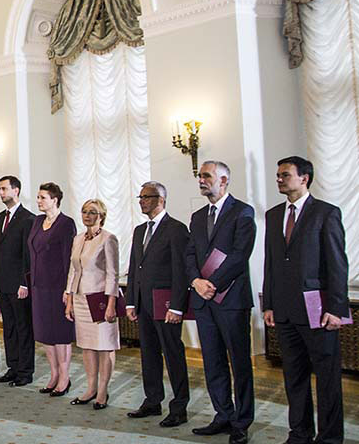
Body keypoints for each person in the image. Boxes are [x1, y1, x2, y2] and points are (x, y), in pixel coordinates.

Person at [263, 156, 347, 444]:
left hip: (319, 312)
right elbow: (271, 263)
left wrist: (336, 309)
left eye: (285, 174)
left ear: (304, 178)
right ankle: (299, 433)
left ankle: (330, 438)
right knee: (294, 377)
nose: (279, 179)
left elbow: (337, 265)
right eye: (278, 175)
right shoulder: (273, 215)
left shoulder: (326, 213)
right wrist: (269, 304)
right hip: (284, 311)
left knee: (327, 379)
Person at [185, 161, 256, 444]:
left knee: (240, 364)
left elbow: (240, 254)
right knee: (213, 362)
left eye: (207, 176)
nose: (201, 180)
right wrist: (196, 281)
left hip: (232, 300)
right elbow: (190, 254)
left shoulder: (243, 212)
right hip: (204, 301)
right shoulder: (197, 216)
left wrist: (212, 283)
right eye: (200, 176)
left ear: (224, 180)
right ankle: (223, 414)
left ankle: (242, 421)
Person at [125, 181, 191, 428]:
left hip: (166, 305)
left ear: (161, 200)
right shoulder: (139, 231)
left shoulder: (176, 229)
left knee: (173, 355)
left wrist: (177, 306)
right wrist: (131, 301)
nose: (142, 201)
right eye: (140, 197)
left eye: (147, 197)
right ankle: (152, 400)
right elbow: (135, 268)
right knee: (148, 354)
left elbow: (181, 270)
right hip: (144, 304)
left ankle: (179, 407)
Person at [64, 199, 119, 411]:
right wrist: (69, 298)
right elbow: (73, 270)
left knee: (104, 346)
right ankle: (91, 388)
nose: (87, 215)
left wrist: (111, 304)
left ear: (101, 216)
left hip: (100, 301)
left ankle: (103, 391)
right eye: (85, 211)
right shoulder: (78, 239)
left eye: (92, 212)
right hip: (80, 299)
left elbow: (113, 274)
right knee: (87, 346)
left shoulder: (108, 239)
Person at [28, 182, 77, 397]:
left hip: (58, 287)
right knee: (45, 333)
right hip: (39, 286)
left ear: (55, 200)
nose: (38, 201)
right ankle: (54, 374)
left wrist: (68, 290)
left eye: (43, 197)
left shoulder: (66, 224)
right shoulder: (38, 221)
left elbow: (70, 259)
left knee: (60, 334)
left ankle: (65, 377)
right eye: (38, 197)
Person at [0, 175, 37, 387]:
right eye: (0, 189)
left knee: (23, 328)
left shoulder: (28, 218)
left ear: (16, 190)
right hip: (3, 283)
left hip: (19, 285)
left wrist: (24, 283)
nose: (1, 193)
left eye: (4, 189)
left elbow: (28, 255)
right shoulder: (0, 217)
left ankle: (25, 371)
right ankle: (13, 367)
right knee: (8, 328)